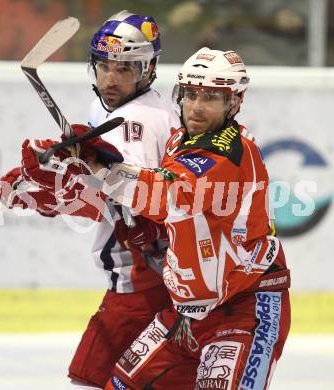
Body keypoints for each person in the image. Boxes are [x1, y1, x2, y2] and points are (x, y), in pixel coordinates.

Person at [0, 10, 198, 390]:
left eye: (124, 69)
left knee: (91, 377)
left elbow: (127, 189)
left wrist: (58, 182)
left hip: (142, 278)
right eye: (103, 66)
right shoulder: (120, 109)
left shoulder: (136, 121)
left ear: (148, 68)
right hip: (150, 275)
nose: (110, 78)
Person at [79, 47, 291, 389]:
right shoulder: (181, 140)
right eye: (190, 94)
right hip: (187, 311)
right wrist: (89, 161)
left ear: (235, 102)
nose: (196, 106)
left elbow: (169, 194)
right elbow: (153, 180)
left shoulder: (228, 151)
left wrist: (103, 168)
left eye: (210, 97)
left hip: (244, 309)